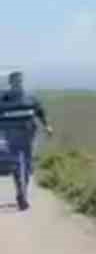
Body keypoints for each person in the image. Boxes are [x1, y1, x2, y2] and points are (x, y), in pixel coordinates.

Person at [0, 72, 52, 210]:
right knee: (17, 164)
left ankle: (22, 193)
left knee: (27, 166)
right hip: (10, 136)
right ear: (11, 83)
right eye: (15, 81)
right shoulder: (2, 99)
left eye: (20, 81)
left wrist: (47, 126)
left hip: (28, 135)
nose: (18, 84)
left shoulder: (30, 98)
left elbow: (40, 112)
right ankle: (21, 195)